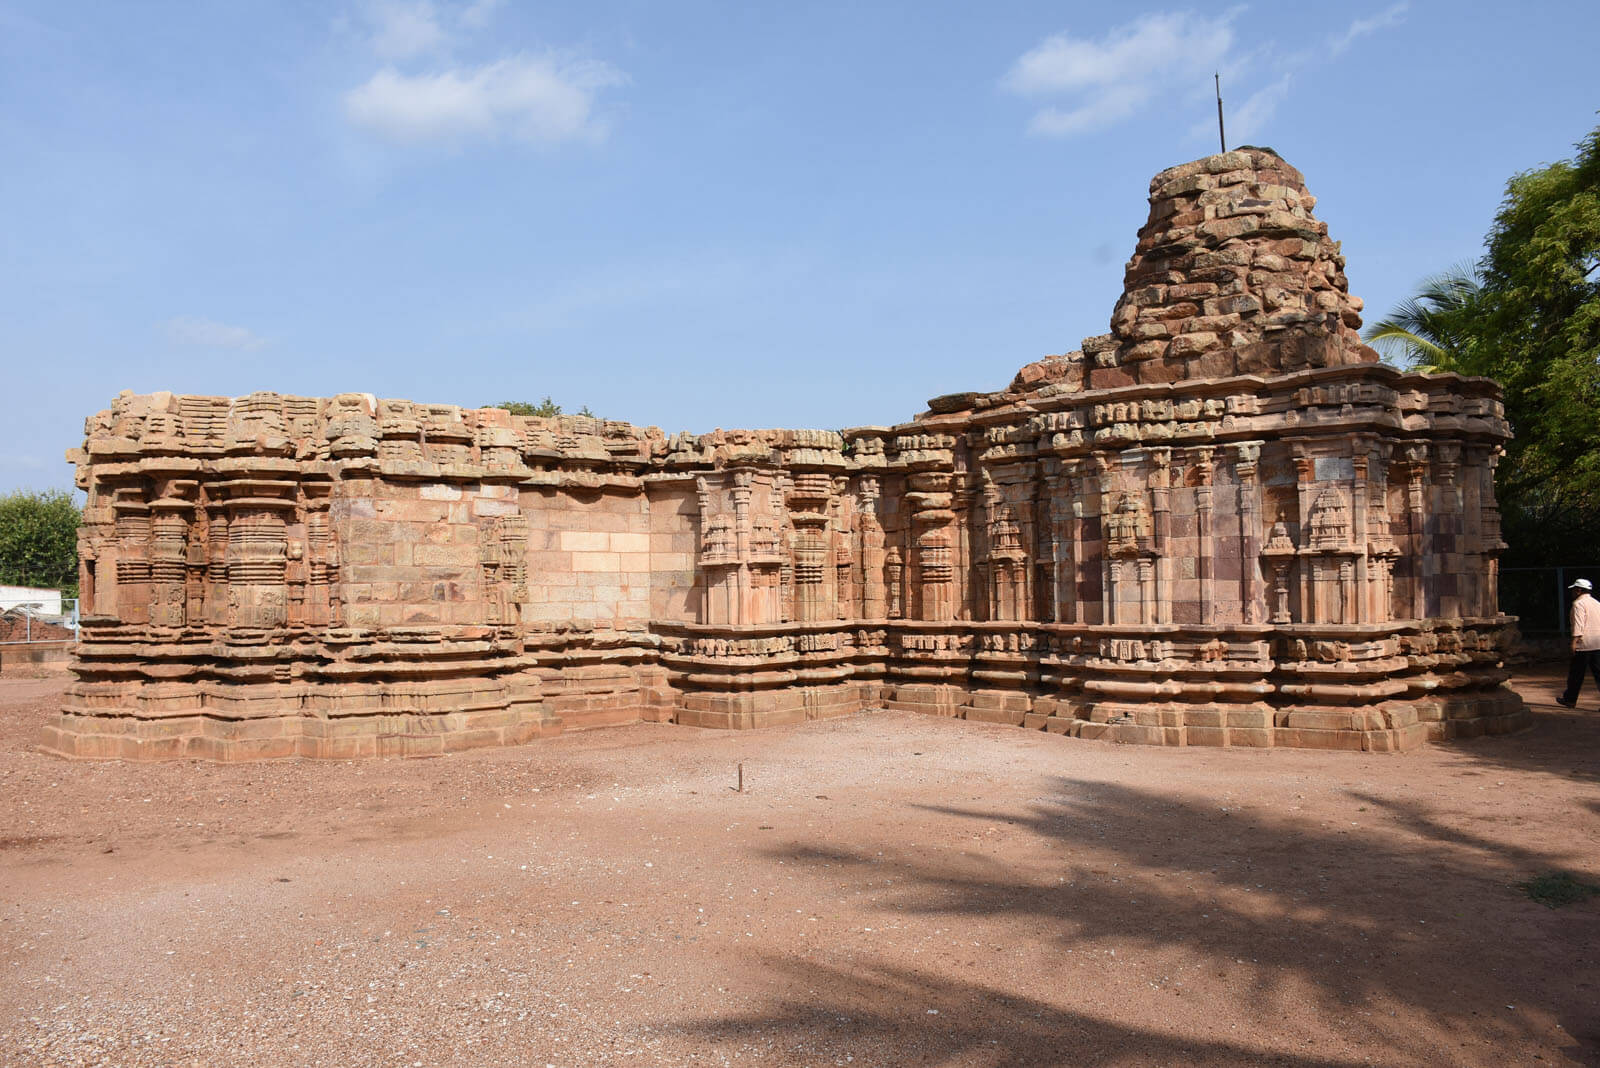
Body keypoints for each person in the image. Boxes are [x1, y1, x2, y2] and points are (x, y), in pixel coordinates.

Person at [1556, 578, 1600, 709]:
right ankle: (1570, 699)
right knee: (1599, 674)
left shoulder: (1578, 604)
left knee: (1576, 674)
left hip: (1584, 645)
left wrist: (1574, 642)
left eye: (1574, 590)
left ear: (1579, 590)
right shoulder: (1596, 603)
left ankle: (1570, 699)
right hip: (1598, 643)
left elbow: (1578, 624)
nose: (1572, 592)